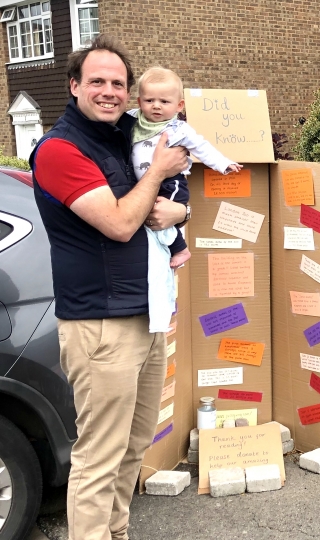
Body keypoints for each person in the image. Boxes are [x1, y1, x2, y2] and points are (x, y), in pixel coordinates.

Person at [30, 35, 188, 540]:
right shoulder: (59, 150)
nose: (109, 91)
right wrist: (161, 171)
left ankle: (116, 534)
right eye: (96, 81)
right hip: (101, 326)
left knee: (134, 445)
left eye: (119, 84)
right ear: (74, 86)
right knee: (100, 455)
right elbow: (121, 223)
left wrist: (182, 210)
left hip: (146, 316)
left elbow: (168, 197)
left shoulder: (121, 136)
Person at [129, 66, 241, 332]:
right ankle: (175, 250)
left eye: (164, 102)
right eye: (149, 100)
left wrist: (222, 164)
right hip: (143, 184)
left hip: (171, 183)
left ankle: (179, 248)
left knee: (163, 214)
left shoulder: (178, 129)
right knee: (152, 223)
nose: (156, 106)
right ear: (139, 102)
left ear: (179, 105)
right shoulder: (132, 121)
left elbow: (203, 147)